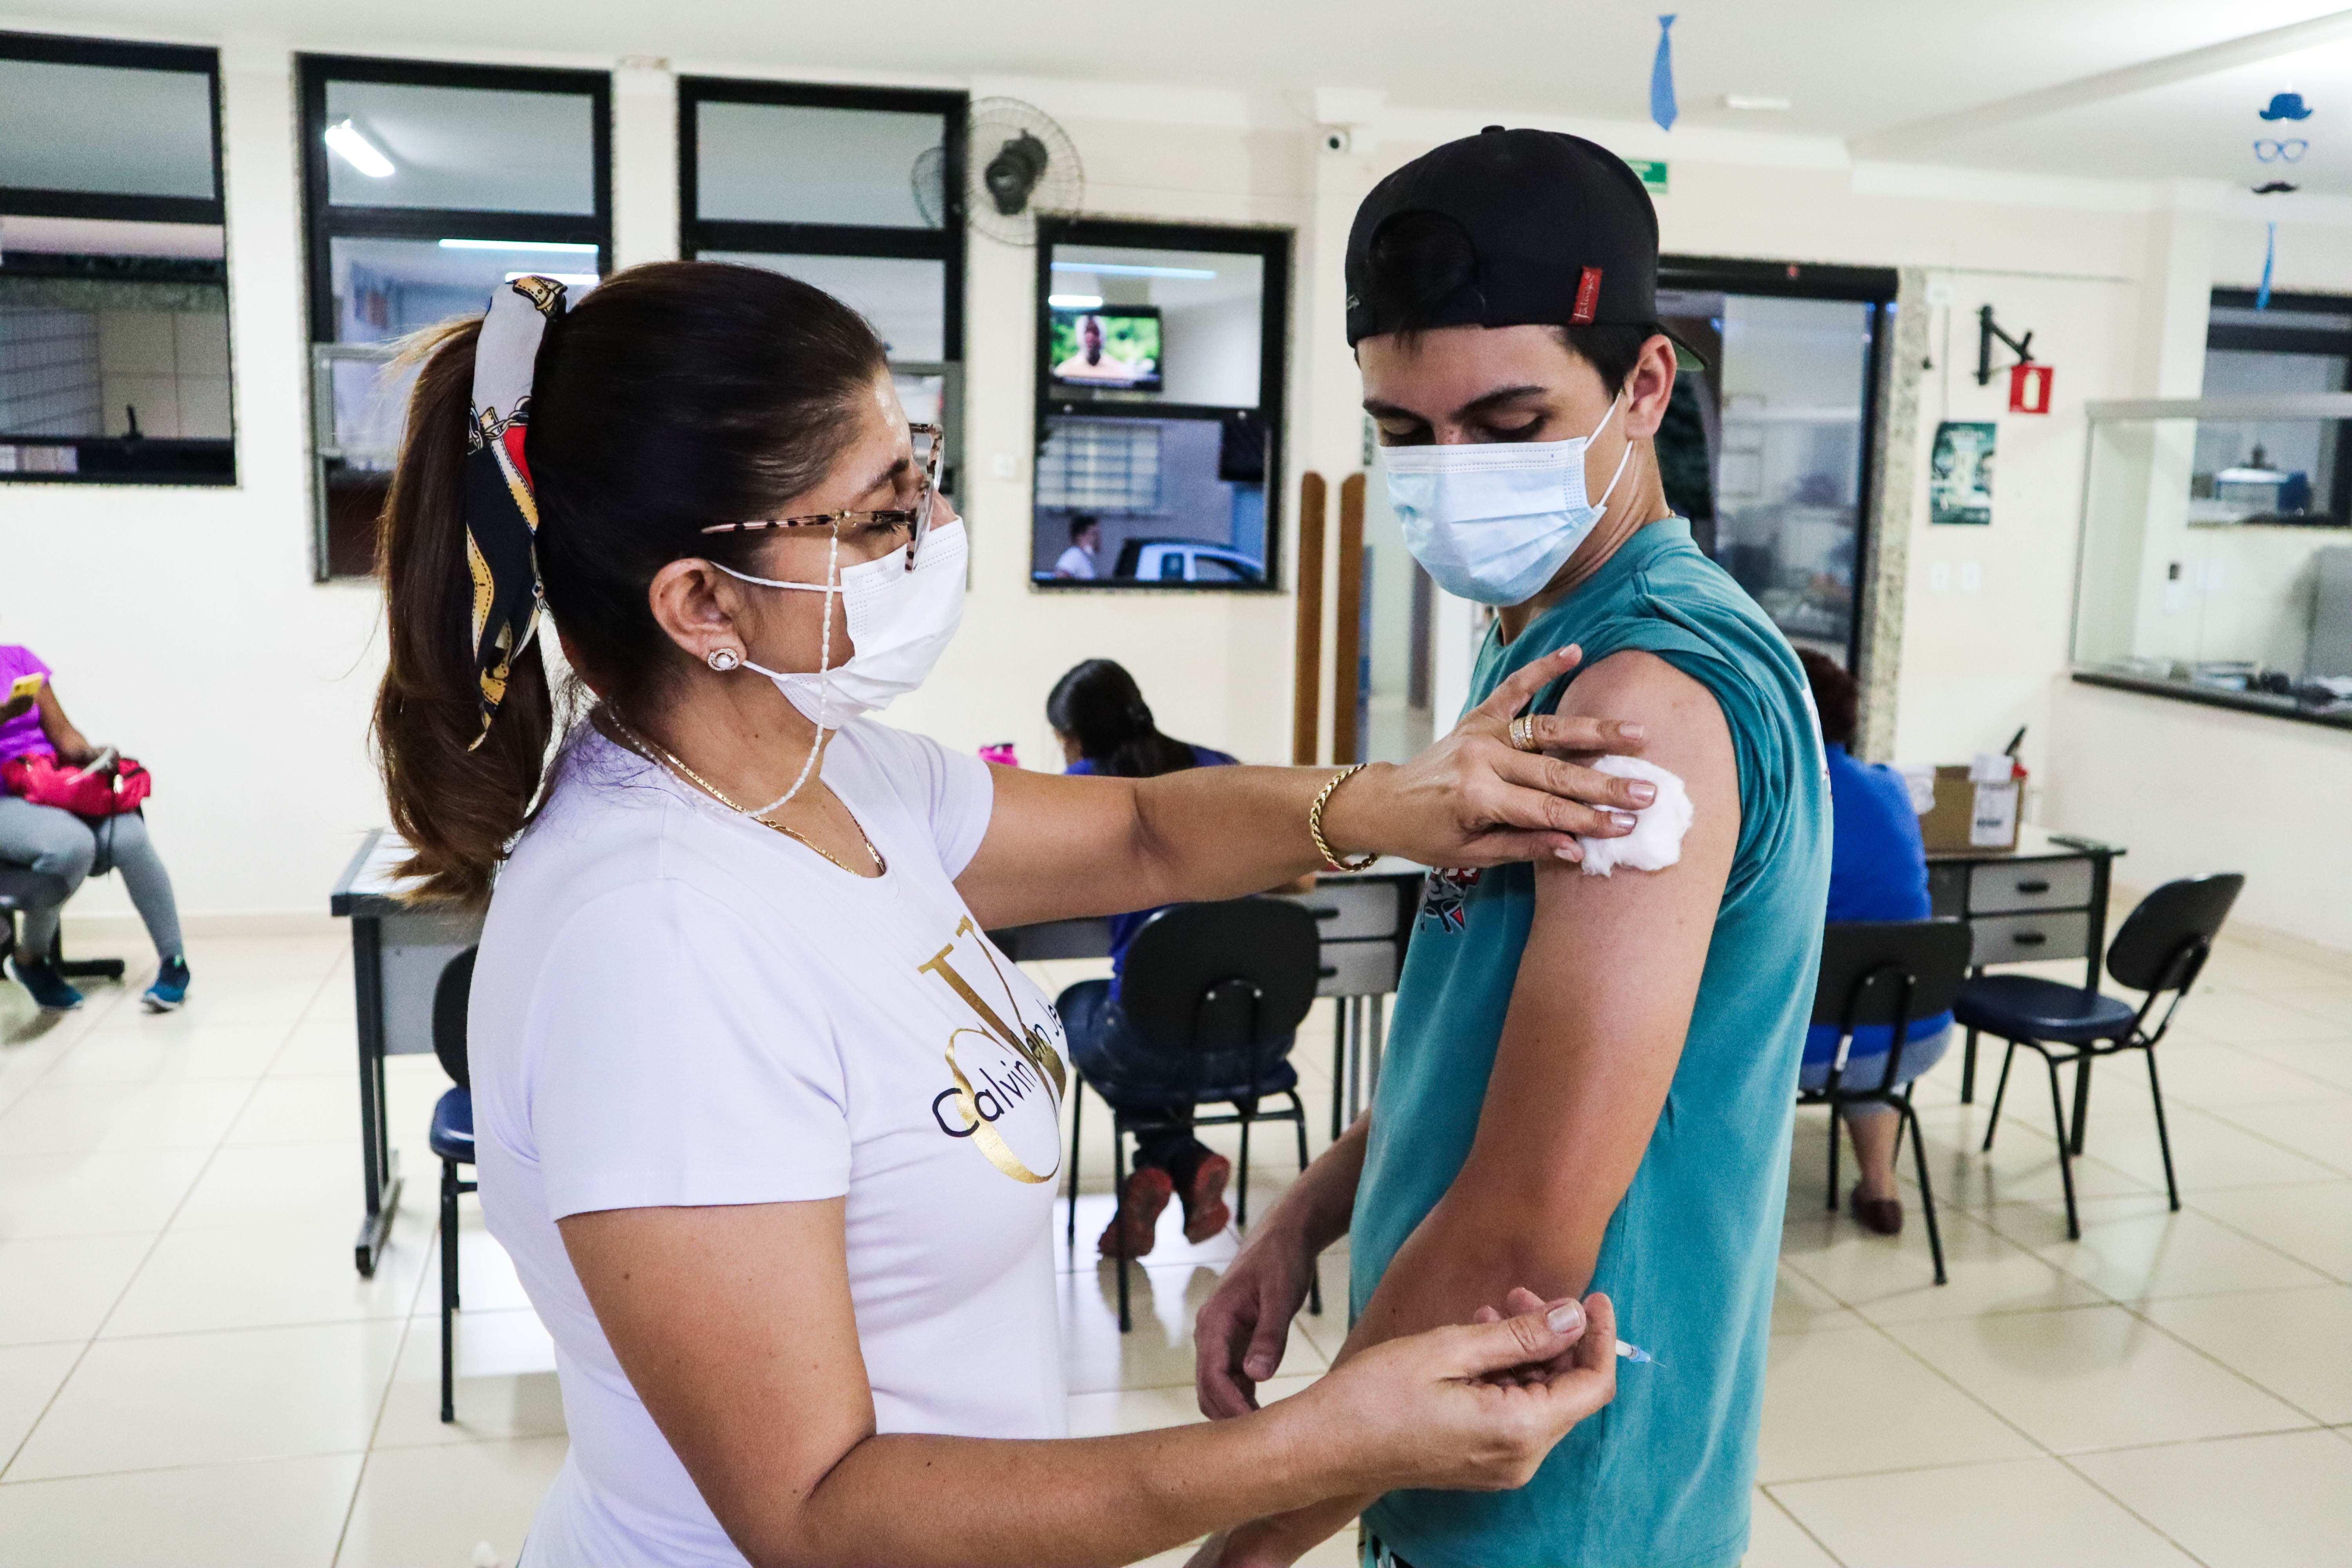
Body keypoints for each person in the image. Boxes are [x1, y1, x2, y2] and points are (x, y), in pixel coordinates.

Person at [372, 262, 1664, 1568]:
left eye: (919, 473)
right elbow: (819, 1514)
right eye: (878, 517)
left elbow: (1145, 830)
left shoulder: (830, 775)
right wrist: (1324, 1445)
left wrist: (1392, 802)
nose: (927, 535)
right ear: (700, 602)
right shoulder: (655, 944)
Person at [1193, 129, 1833, 1568]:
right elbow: (1493, 1048)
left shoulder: (1642, 707)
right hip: (1443, 1446)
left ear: (1642, 388)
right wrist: (1310, 1207)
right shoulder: (1544, 646)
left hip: (1549, 1498)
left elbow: (1529, 1227)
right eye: (1406, 432)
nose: (1450, 473)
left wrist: (1243, 1541)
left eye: (1506, 420)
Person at [1046, 657, 1252, 1257]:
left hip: (1149, 1044)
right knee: (1173, 1010)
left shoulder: (1082, 786)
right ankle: (1176, 1162)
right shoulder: (1220, 768)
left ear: (1077, 739)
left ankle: (1172, 1159)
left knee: (1075, 1009)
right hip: (1252, 1038)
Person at [1795, 649, 1953, 1235]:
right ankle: (1882, 1188)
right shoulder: (1890, 789)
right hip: (1914, 1035)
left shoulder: (1776, 800)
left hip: (1804, 1046)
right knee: (1862, 1001)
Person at [0, 645, 190, 1013]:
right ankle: (30, 960)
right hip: (6, 797)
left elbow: (65, 736)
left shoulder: (17, 659)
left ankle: (174, 963)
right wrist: (5, 714)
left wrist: (91, 756)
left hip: (48, 783)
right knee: (72, 844)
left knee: (130, 837)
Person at [1055, 312, 1141, 382]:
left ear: (1103, 337)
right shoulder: (1064, 371)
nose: (1091, 337)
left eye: (1095, 332)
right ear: (1079, 336)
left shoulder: (1122, 373)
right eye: (1086, 331)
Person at [1054, 515, 1101, 579]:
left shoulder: (1084, 558)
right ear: (1080, 536)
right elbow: (1060, 576)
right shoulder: (1074, 554)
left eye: (1098, 534)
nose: (1097, 539)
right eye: (1094, 534)